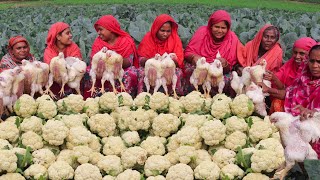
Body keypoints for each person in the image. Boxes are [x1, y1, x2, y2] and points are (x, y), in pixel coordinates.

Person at [183, 10, 240, 95]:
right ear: (210, 26)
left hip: (219, 72)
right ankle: (194, 94)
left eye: (223, 28)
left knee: (229, 79)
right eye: (216, 27)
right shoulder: (202, 33)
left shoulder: (232, 39)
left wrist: (224, 64)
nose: (220, 31)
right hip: (200, 68)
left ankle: (218, 97)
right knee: (189, 70)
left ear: (228, 29)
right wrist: (195, 58)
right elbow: (188, 53)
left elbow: (231, 66)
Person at [260, 37, 317, 113]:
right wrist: (271, 81)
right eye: (295, 52)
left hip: (311, 112)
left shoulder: (310, 73)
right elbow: (288, 93)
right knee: (277, 103)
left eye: (302, 53)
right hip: (292, 104)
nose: (297, 56)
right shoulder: (291, 66)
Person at [87, 15, 138, 97]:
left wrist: (118, 62)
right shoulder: (98, 41)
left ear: (110, 29)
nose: (98, 32)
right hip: (103, 70)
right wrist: (99, 64)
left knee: (131, 74)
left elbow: (129, 62)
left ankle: (124, 99)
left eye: (101, 30)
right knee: (88, 72)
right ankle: (95, 99)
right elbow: (94, 59)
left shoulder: (126, 41)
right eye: (98, 30)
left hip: (121, 69)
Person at [284, 44, 320, 158]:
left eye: (319, 62)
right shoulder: (303, 77)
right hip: (300, 119)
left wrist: (314, 112)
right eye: (312, 61)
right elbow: (289, 93)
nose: (315, 66)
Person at [137, 14, 184, 95]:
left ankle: (173, 95)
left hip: (169, 68)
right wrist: (151, 61)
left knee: (178, 73)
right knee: (142, 72)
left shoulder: (175, 39)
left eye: (168, 31)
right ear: (156, 29)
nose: (165, 34)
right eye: (162, 31)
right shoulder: (148, 38)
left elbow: (179, 60)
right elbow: (141, 59)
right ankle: (145, 95)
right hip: (152, 67)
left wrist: (171, 60)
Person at [43, 22, 83, 98]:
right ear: (58, 36)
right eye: (67, 33)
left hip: (72, 79)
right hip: (56, 82)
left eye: (70, 33)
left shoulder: (73, 47)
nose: (71, 35)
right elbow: (51, 71)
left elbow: (78, 65)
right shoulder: (49, 51)